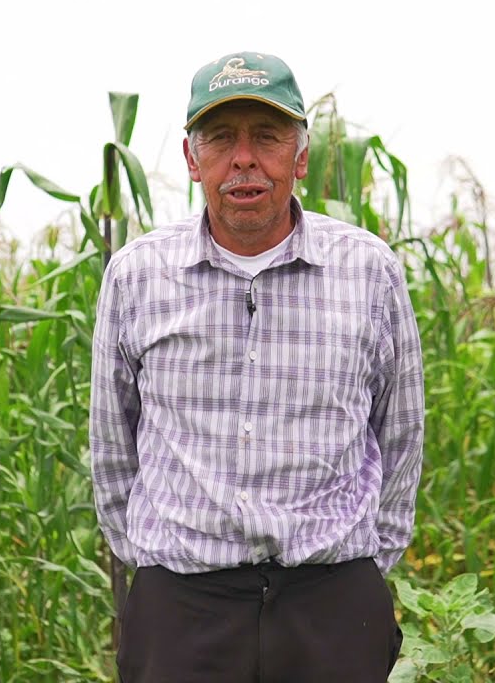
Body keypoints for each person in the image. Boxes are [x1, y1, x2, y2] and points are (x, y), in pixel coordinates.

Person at [89, 50, 425, 683]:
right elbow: (112, 450)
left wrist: (364, 569)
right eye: (220, 138)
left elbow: (401, 433)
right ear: (192, 159)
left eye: (266, 137)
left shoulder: (369, 271)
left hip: (332, 610)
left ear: (300, 157)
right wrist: (154, 569)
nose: (244, 159)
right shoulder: (137, 275)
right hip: (182, 612)